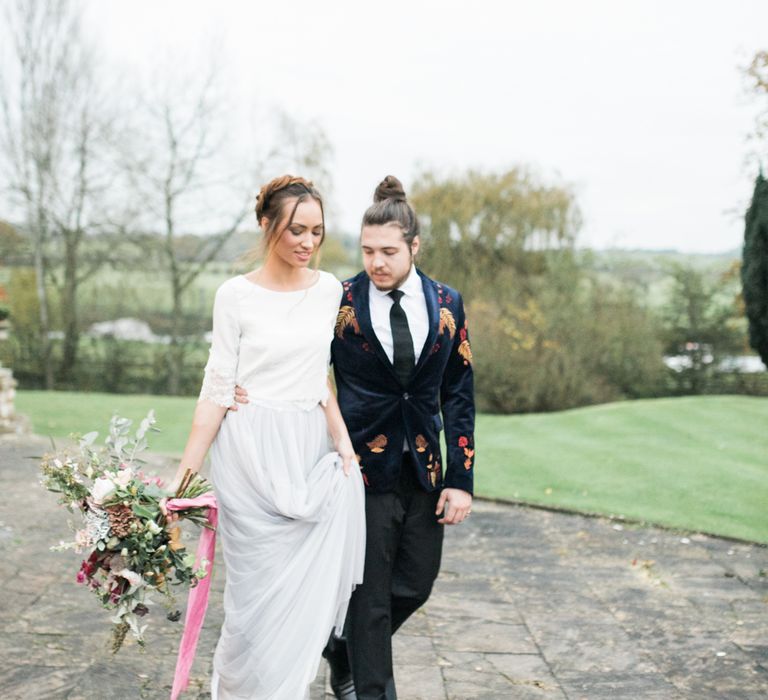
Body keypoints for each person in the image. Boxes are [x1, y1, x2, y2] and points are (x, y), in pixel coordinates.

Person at [236, 175, 475, 699]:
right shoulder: (337, 300)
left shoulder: (448, 303)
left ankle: (341, 648)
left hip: (425, 471)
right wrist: (246, 388)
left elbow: (458, 392)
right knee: (369, 600)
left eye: (388, 251)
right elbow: (297, 359)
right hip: (358, 471)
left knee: (416, 583)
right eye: (367, 251)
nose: (376, 263)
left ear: (414, 246)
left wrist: (461, 479)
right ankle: (367, 686)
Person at [166, 175, 366, 700]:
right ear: (265, 225)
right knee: (254, 598)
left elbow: (319, 378)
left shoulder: (329, 291)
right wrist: (182, 479)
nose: (308, 242)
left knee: (299, 595)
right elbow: (215, 391)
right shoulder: (234, 296)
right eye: (296, 229)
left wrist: (343, 443)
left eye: (317, 232)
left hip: (306, 448)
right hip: (250, 452)